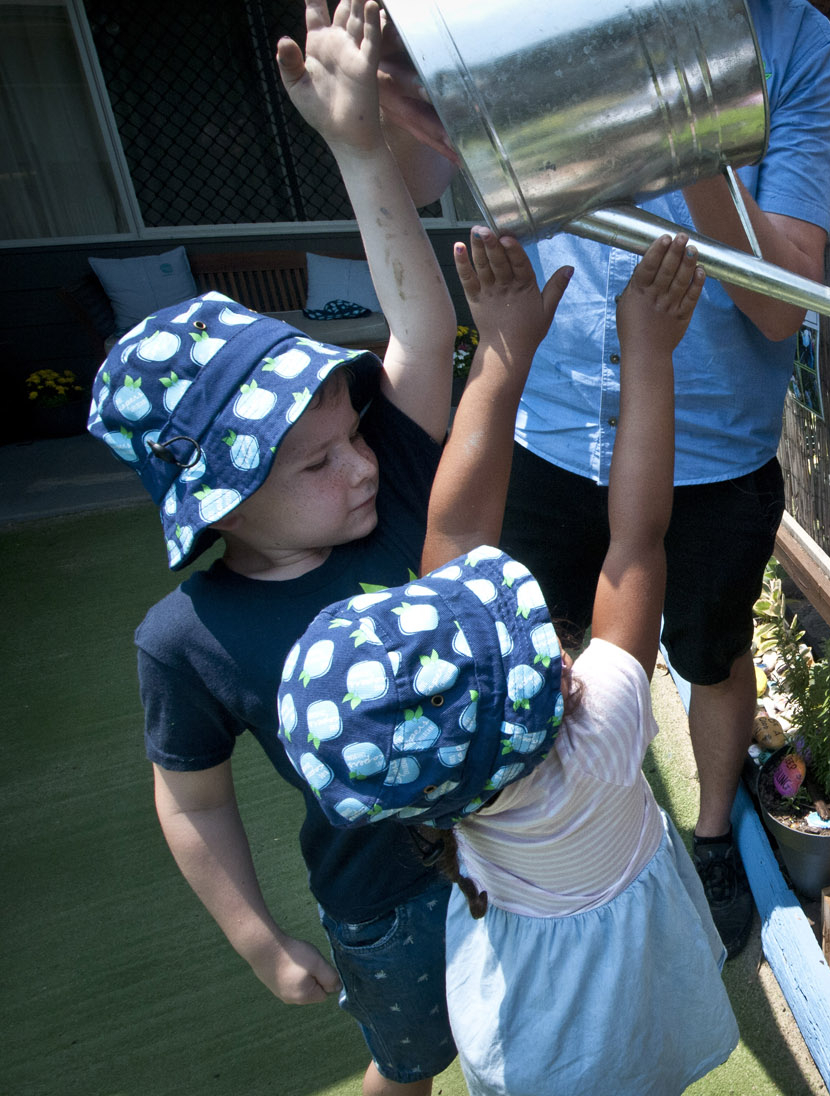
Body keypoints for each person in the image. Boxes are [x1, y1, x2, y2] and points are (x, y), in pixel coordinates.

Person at [85, 4, 506, 1093]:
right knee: (407, 1069)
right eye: (313, 463)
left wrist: (362, 147)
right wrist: (257, 938)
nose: (360, 465)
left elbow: (416, 331)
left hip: (519, 848)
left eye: (352, 431)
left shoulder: (402, 476)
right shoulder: (190, 639)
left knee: (540, 1039)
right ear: (220, 508)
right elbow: (194, 797)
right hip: (382, 904)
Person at [378, 0, 830, 955]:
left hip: (714, 446)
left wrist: (689, 131)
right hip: (550, 424)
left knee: (709, 654)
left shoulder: (798, 44)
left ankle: (712, 834)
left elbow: (778, 309)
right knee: (523, 656)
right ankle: (547, 845)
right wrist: (383, 82)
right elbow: (425, 167)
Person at [277, 229, 738, 1095]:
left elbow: (456, 534)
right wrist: (644, 352)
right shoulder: (598, 739)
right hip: (629, 984)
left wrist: (504, 349)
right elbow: (633, 547)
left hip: (525, 1022)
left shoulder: (442, 780)